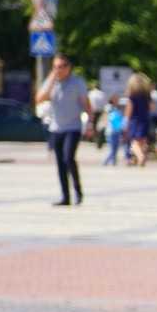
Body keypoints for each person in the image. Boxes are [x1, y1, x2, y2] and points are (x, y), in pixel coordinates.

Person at [37, 53, 91, 207]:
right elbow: (39, 99)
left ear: (69, 67)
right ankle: (65, 197)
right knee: (60, 163)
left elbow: (86, 103)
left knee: (68, 158)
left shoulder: (77, 82)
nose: (58, 70)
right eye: (55, 67)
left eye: (61, 67)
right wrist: (52, 80)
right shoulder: (51, 82)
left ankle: (78, 192)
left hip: (73, 127)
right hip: (56, 128)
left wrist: (90, 123)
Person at [125, 73, 153, 167]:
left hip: (135, 120)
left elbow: (129, 109)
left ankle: (141, 157)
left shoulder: (132, 96)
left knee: (134, 142)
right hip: (145, 119)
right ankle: (140, 156)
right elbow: (151, 108)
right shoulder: (147, 96)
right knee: (142, 141)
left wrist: (126, 121)